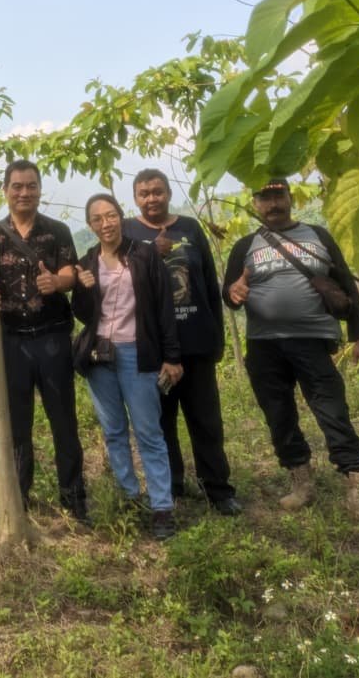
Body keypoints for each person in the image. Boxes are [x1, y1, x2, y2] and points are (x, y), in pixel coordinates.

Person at [222, 178, 359, 533]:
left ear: (290, 198)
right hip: (264, 345)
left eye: (278, 196)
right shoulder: (244, 246)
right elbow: (229, 292)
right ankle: (301, 481)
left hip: (313, 341)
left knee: (332, 411)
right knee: (279, 416)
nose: (272, 204)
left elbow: (346, 284)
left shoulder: (318, 237)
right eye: (264, 199)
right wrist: (233, 291)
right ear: (255, 204)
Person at [0, 159, 88, 523]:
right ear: (4, 190)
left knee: (63, 420)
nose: (24, 192)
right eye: (17, 186)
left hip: (51, 336)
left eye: (31, 185)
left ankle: (74, 498)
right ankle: (19, 498)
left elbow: (70, 271)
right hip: (11, 341)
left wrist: (57, 282)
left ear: (39, 189)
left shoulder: (57, 230)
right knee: (17, 424)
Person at [123, 169, 243, 516]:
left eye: (157, 191)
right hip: (154, 348)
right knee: (161, 423)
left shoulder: (189, 228)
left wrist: (216, 337)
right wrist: (151, 253)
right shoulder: (129, 233)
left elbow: (206, 281)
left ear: (168, 193)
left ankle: (219, 490)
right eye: (144, 193)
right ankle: (173, 485)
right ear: (135, 199)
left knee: (206, 421)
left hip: (196, 343)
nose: (151, 198)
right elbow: (122, 282)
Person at [72, 193, 183, 540]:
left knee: (149, 432)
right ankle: (130, 496)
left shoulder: (145, 254)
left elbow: (164, 307)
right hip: (99, 357)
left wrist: (172, 356)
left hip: (138, 353)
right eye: (97, 219)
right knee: (114, 431)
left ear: (121, 217)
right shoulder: (87, 261)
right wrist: (83, 289)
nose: (105, 223)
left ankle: (162, 507)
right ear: (90, 225)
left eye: (111, 215)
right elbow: (83, 315)